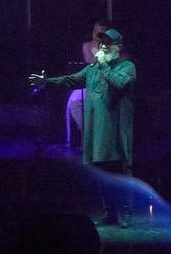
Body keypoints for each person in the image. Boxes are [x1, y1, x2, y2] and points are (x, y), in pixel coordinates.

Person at [31, 28, 137, 222]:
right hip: (98, 131)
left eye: (108, 44)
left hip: (117, 131)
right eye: (102, 43)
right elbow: (71, 80)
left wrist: (104, 66)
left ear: (118, 46)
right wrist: (47, 82)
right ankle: (110, 213)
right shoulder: (93, 68)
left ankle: (126, 214)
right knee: (101, 173)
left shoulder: (127, 66)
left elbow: (120, 84)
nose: (103, 47)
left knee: (120, 172)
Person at [67, 19, 109, 145]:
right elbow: (91, 62)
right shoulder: (87, 46)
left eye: (100, 32)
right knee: (74, 101)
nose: (96, 35)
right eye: (95, 31)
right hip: (91, 85)